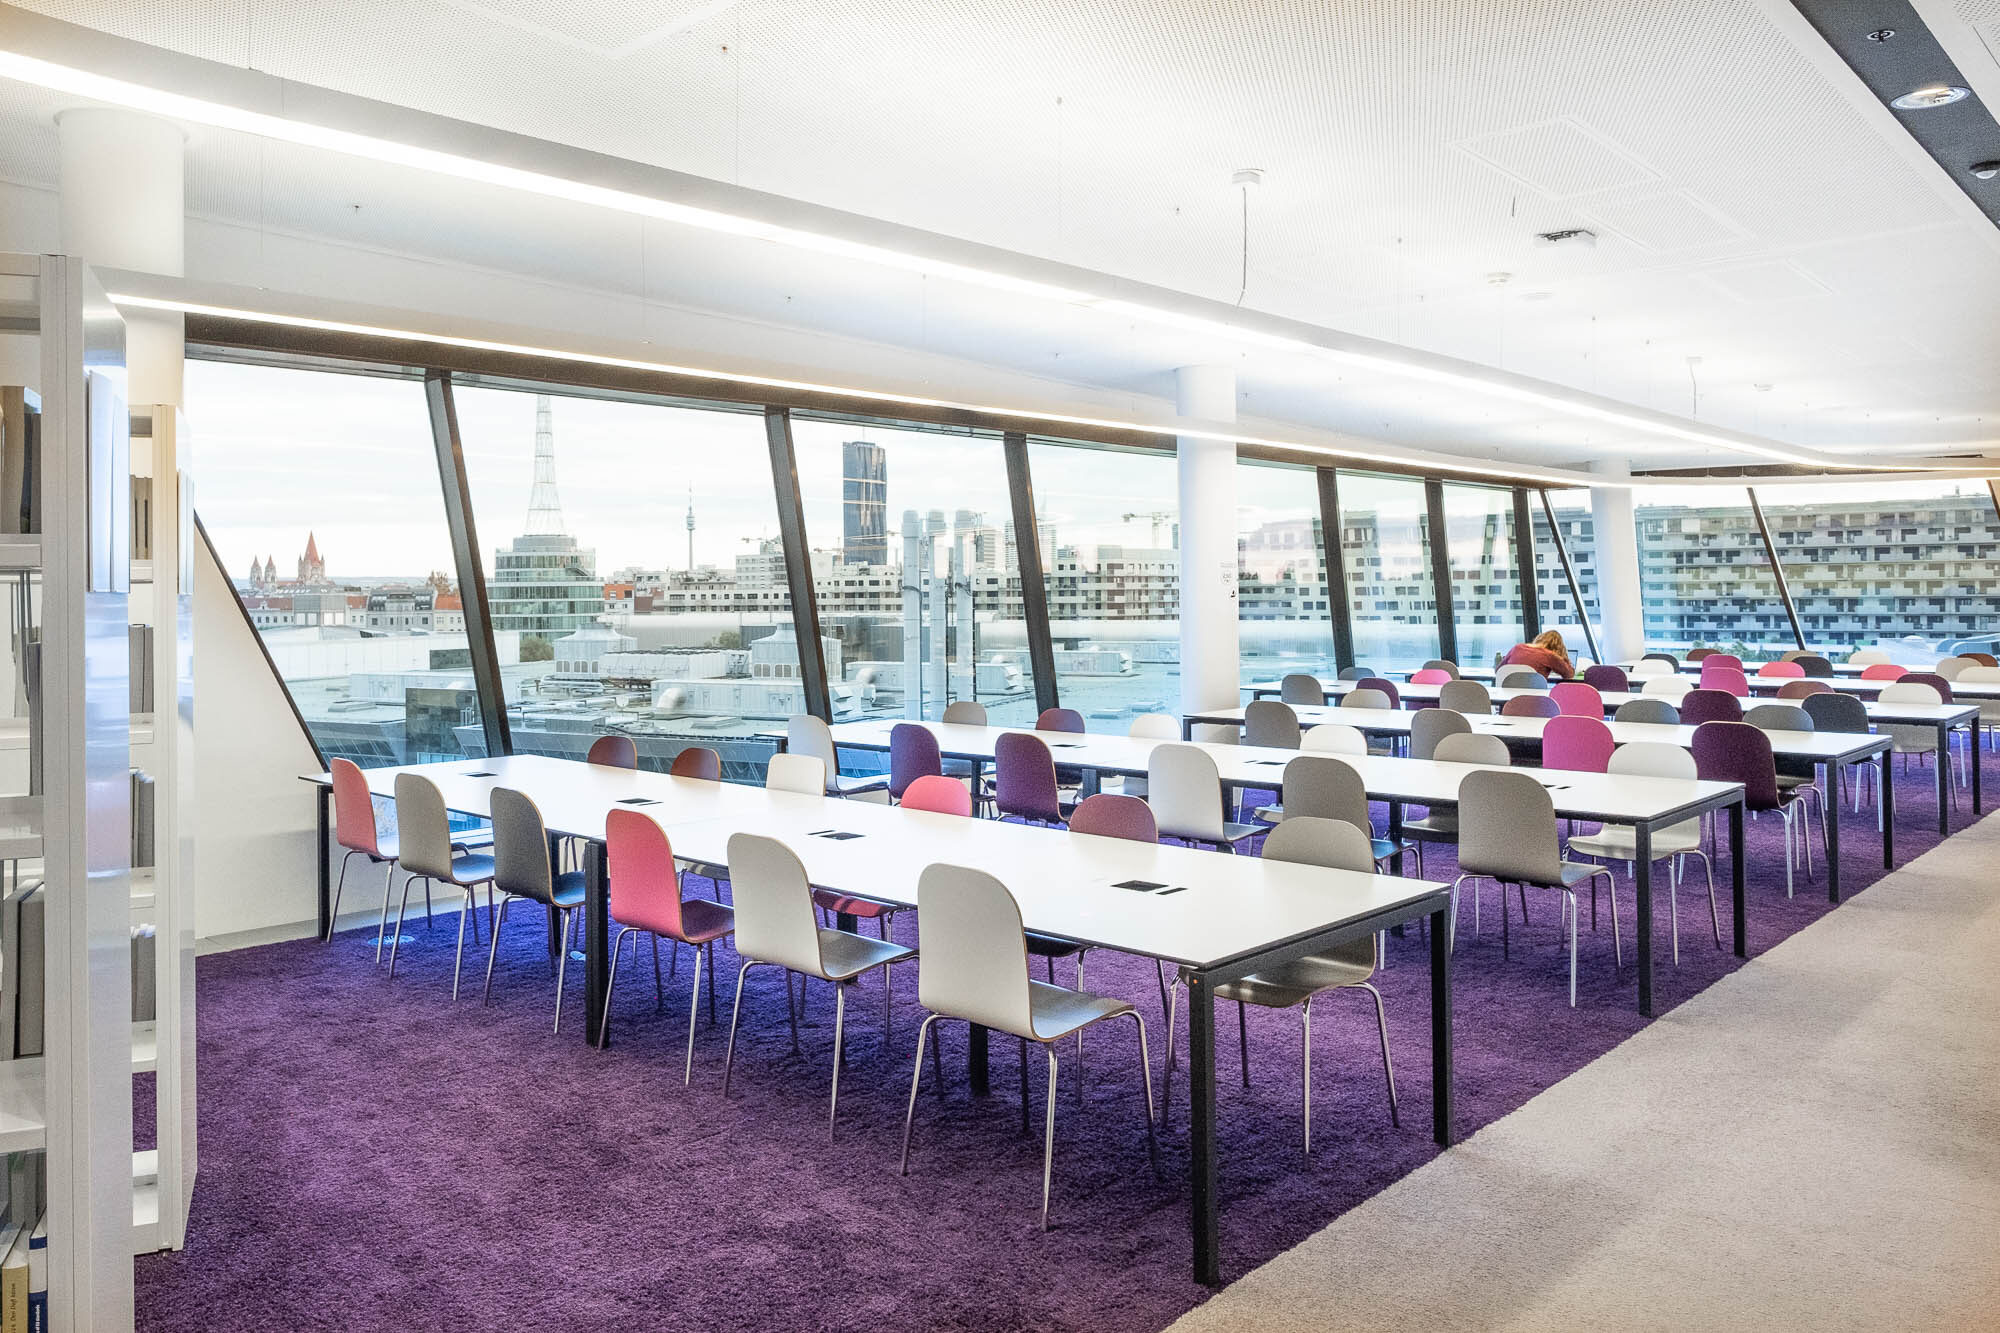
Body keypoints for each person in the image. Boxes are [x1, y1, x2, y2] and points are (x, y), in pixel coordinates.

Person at [1502, 629, 1575, 680]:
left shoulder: (1517, 648)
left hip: (1508, 694)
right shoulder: (1549, 655)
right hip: (1535, 696)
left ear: (1539, 638)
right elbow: (1569, 674)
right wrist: (1563, 657)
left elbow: (1499, 670)